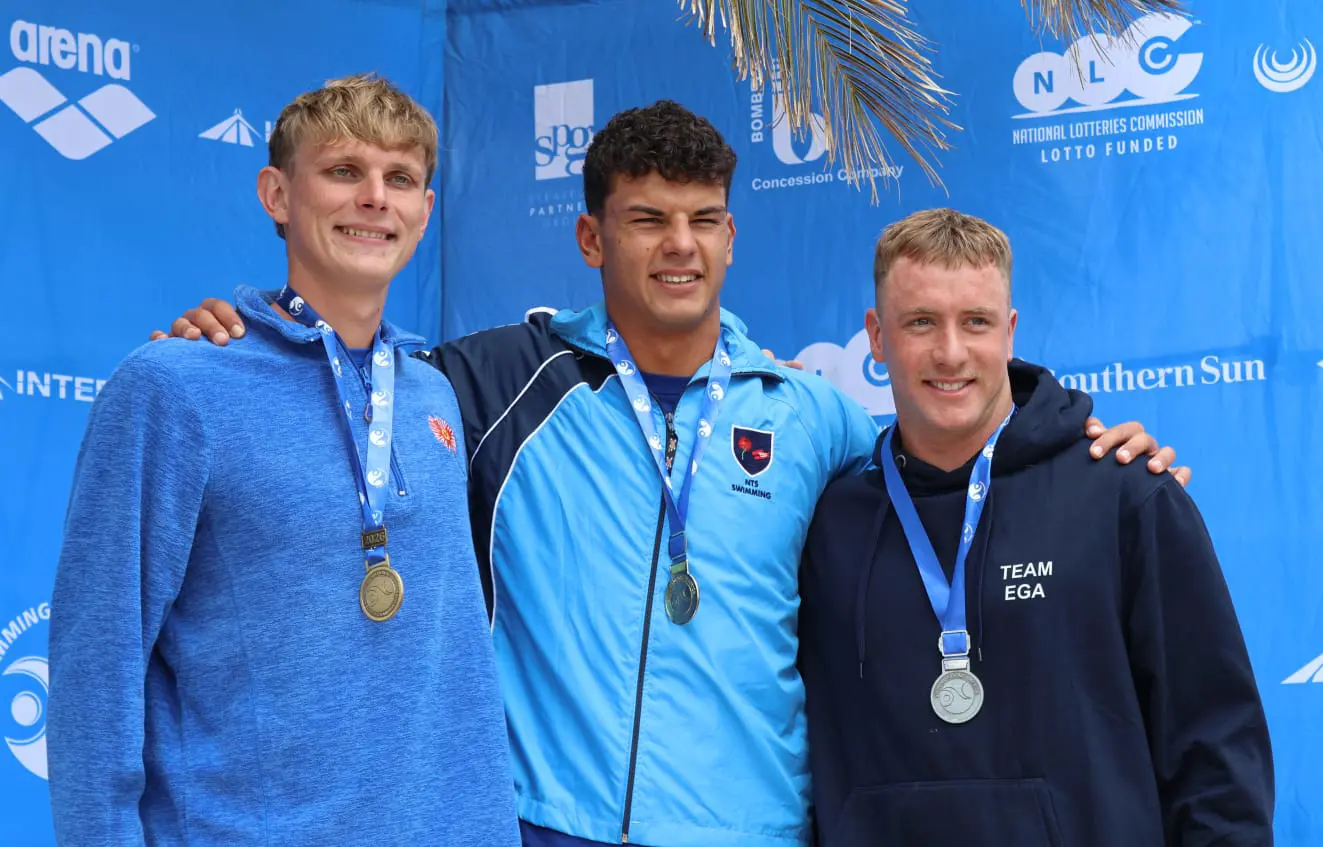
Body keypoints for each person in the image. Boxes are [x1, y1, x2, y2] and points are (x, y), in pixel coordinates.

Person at [150, 103, 1187, 847]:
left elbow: (953, 478)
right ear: (592, 236)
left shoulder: (813, 413)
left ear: (731, 236)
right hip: (548, 822)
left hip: (754, 826)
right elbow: (348, 378)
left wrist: (1079, 441)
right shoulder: (493, 382)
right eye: (647, 219)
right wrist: (237, 335)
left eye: (701, 219)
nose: (678, 246)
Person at [46, 74, 521, 846]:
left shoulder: (430, 394)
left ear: (425, 210)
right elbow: (97, 665)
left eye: (400, 178)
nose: (375, 197)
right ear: (277, 194)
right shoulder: (175, 384)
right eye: (343, 170)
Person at [797, 208, 1273, 846]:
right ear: (877, 338)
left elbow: (1215, 747)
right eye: (920, 322)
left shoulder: (1124, 494)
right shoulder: (828, 526)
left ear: (1010, 331)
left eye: (976, 321)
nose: (950, 352)